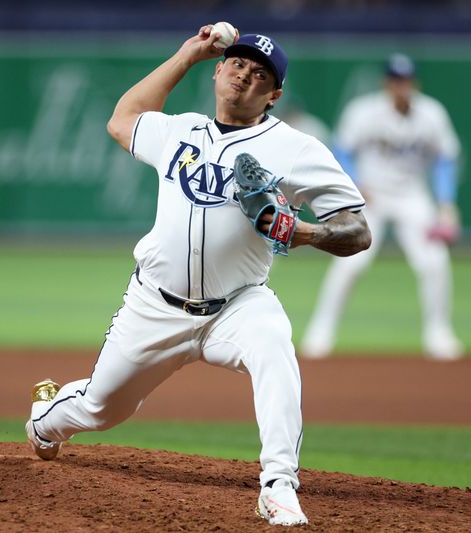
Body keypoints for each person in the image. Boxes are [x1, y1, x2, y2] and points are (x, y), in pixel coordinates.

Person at [24, 26, 371, 527]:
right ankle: (44, 420)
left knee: (274, 346)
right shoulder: (178, 131)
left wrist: (304, 233)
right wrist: (186, 53)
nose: (244, 77)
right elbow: (122, 120)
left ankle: (278, 485)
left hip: (237, 305)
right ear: (218, 71)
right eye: (237, 65)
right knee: (99, 409)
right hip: (154, 307)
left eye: (259, 75)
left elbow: (357, 230)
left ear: (274, 95)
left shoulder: (296, 149)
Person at [301, 53, 464, 361]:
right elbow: (342, 151)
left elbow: (444, 160)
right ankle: (321, 331)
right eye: (395, 80)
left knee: (434, 262)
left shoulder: (431, 113)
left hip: (412, 197)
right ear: (386, 83)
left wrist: (446, 204)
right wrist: (355, 183)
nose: (400, 86)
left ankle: (438, 333)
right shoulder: (364, 111)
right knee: (350, 263)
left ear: (414, 82)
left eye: (405, 80)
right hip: (370, 196)